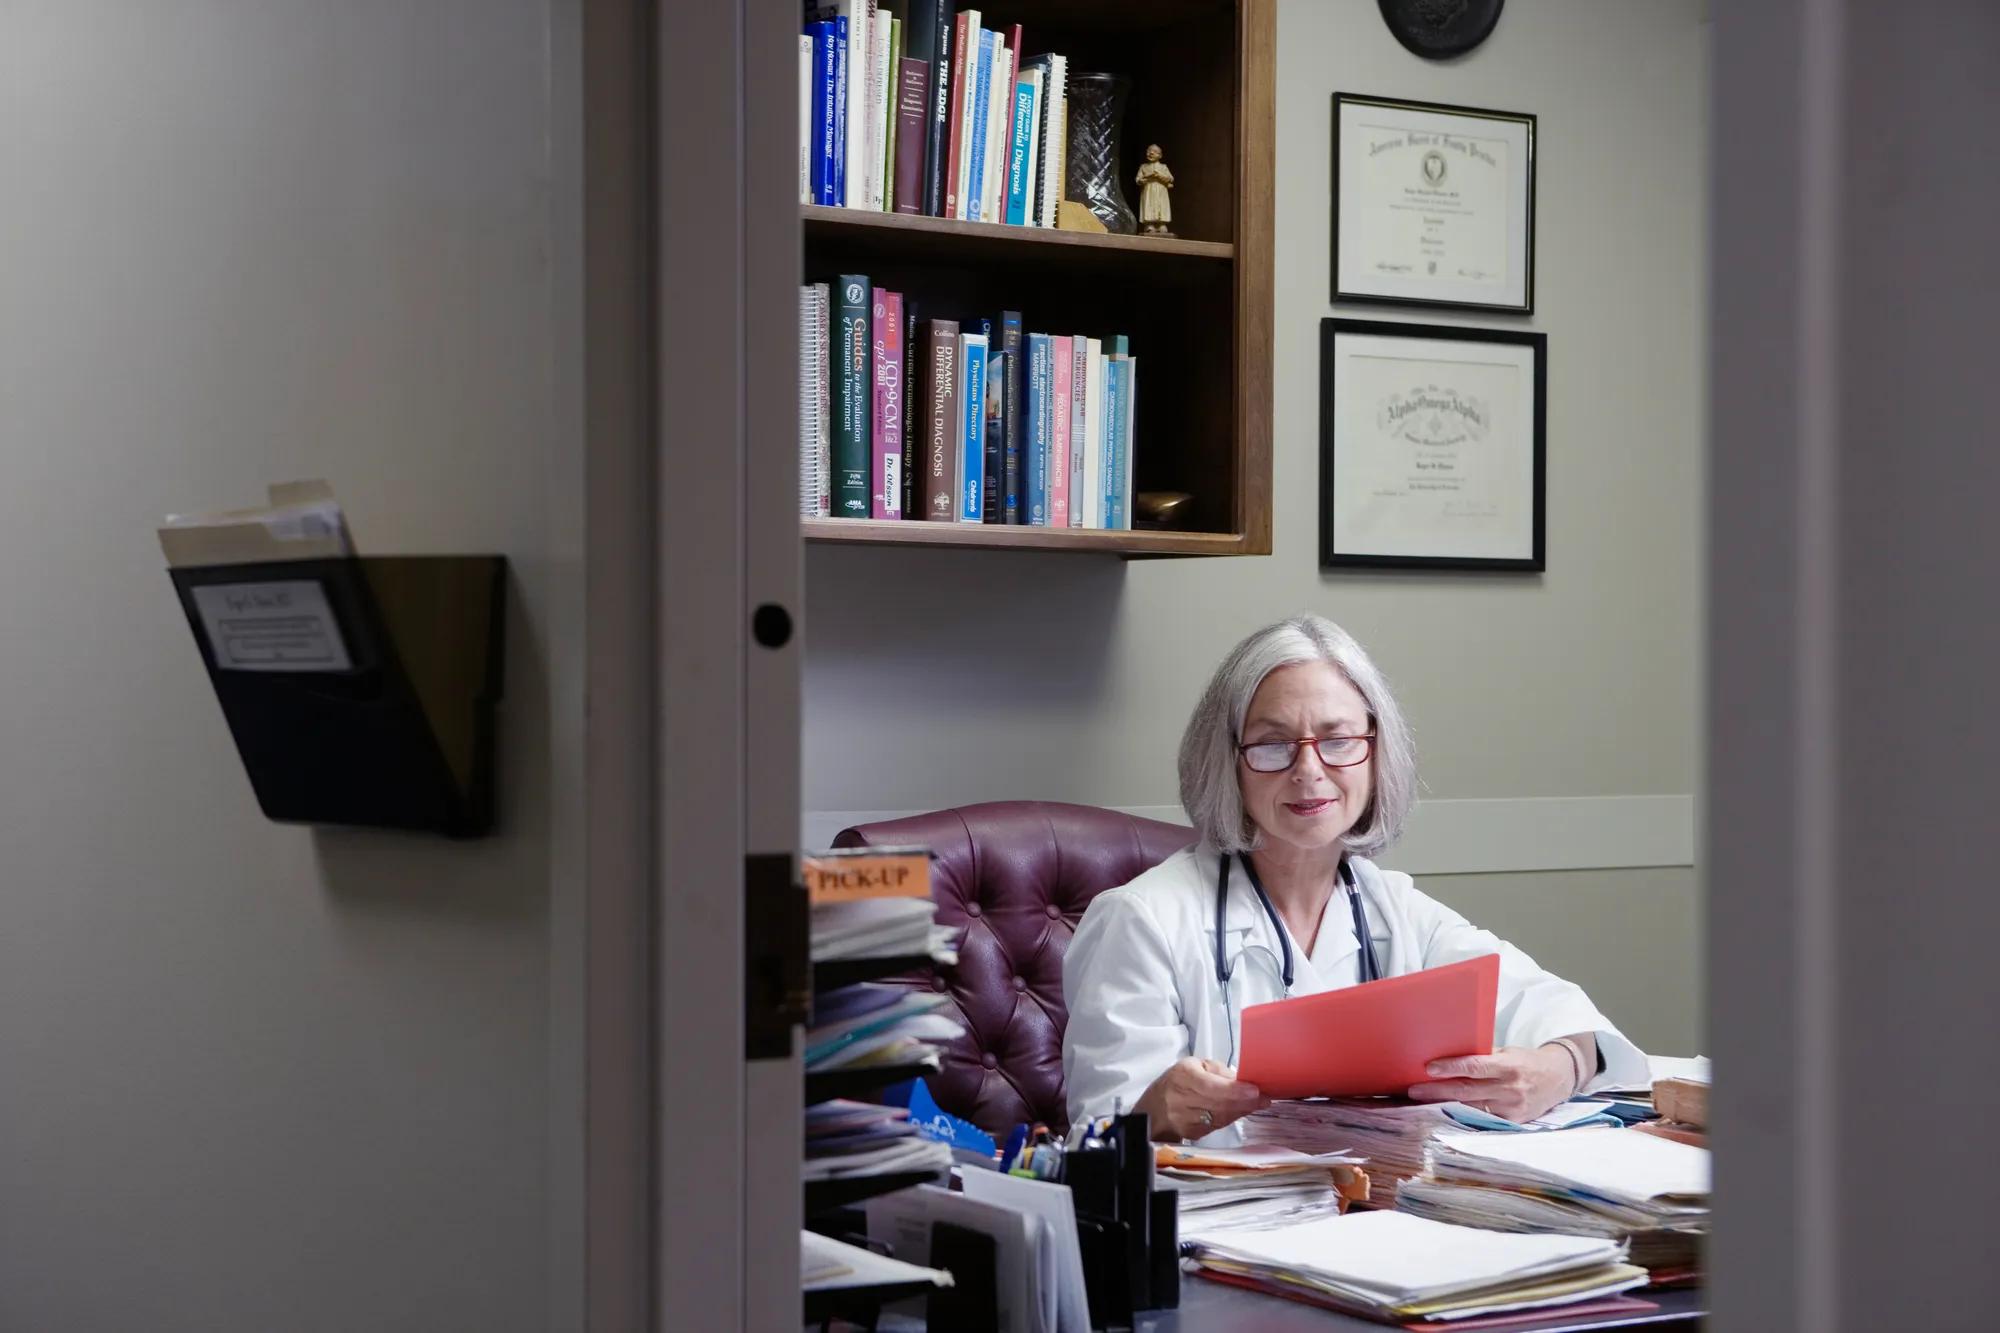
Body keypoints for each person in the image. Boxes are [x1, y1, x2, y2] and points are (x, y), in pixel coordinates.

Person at [1061, 615, 1647, 1143]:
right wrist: (1160, 1109)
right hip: (1212, 1236)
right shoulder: (1142, 920)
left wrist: (1559, 1068)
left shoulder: (1392, 909)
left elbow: (1565, 1014)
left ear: (1374, 753)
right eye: (1272, 746)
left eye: (1339, 741)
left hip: (1375, 1224)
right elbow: (1099, 1135)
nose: (1309, 771)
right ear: (1227, 762)